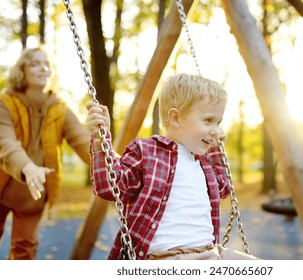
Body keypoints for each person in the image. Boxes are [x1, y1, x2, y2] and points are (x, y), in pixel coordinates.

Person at [86, 73, 258, 260]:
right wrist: (100, 138)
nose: (215, 130)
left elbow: (223, 187)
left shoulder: (203, 163)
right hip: (169, 257)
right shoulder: (147, 151)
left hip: (210, 252)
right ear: (175, 118)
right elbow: (111, 186)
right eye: (208, 120)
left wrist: (216, 149)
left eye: (218, 123)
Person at [0, 47, 90, 259]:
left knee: (25, 249)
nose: (43, 68)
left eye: (46, 64)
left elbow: (82, 140)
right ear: (21, 70)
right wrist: (28, 167)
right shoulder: (5, 103)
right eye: (35, 63)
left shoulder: (59, 109)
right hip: (2, 183)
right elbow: (4, 142)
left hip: (33, 193)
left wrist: (117, 165)